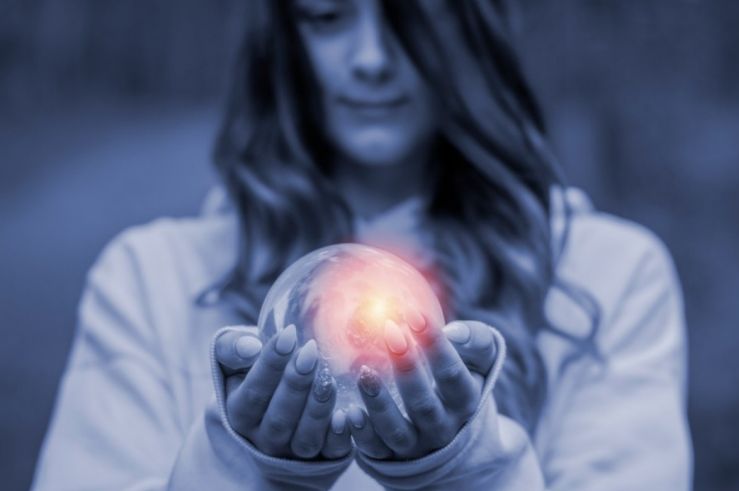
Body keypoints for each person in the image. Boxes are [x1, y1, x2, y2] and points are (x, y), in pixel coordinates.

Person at [32, 0, 692, 489]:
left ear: (472, 26)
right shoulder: (154, 279)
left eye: (415, 15)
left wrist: (463, 469)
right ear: (283, 38)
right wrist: (242, 467)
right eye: (328, 15)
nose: (371, 58)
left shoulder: (605, 276)